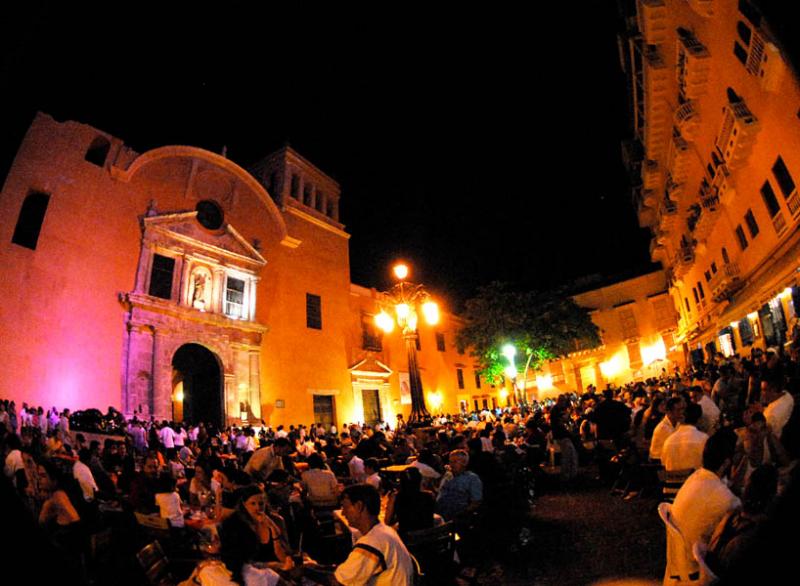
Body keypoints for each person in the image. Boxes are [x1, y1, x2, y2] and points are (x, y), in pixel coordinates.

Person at [670, 430, 741, 578]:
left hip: (678, 561)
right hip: (698, 569)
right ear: (728, 462)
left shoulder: (695, 477)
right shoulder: (727, 500)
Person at [334, 484, 414, 585]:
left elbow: (339, 582)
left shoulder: (372, 542)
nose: (343, 513)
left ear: (359, 506)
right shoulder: (385, 531)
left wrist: (309, 569)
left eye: (345, 507)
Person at [220, 484, 293, 584]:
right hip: (253, 574)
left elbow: (284, 558)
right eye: (253, 504)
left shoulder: (276, 520)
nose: (258, 507)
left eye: (261, 503)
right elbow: (240, 561)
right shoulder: (237, 524)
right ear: (244, 505)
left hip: (280, 570)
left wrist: (273, 529)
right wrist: (270, 565)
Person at [384, 467, 435, 539]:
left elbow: (387, 521)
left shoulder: (396, 497)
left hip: (407, 542)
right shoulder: (429, 496)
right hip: (428, 540)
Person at [435, 449, 482, 522]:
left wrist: (462, 514)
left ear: (464, 463)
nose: (451, 465)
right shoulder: (448, 475)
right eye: (450, 462)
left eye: (454, 462)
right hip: (440, 514)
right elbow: (440, 492)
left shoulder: (472, 478)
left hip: (458, 517)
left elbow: (476, 502)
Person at [661, 402, 708, 472]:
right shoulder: (704, 439)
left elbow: (664, 464)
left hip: (672, 481)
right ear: (699, 420)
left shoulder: (669, 440)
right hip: (696, 481)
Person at [649, 397, 684, 462]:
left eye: (682, 409)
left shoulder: (678, 423)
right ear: (669, 412)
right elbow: (675, 446)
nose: (681, 412)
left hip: (671, 457)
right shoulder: (662, 428)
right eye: (678, 410)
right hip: (658, 461)